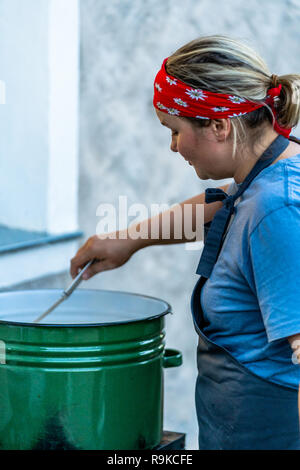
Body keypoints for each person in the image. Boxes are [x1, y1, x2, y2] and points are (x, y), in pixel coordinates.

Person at [70, 35, 300, 450]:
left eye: (174, 131)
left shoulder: (276, 211)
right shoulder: (270, 171)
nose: (173, 146)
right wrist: (128, 240)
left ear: (218, 125)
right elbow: (224, 206)